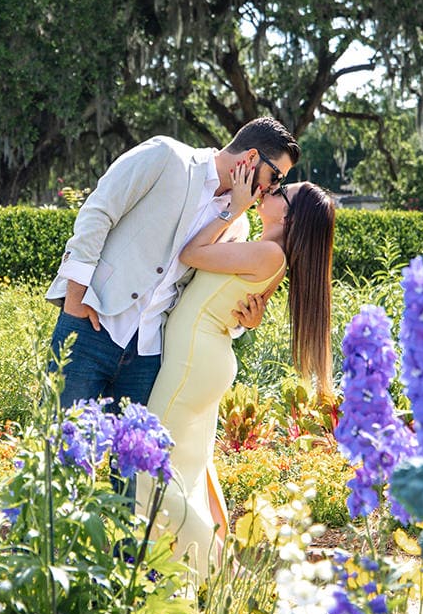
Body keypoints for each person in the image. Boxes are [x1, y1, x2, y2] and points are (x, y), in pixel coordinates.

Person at [137, 173, 336, 573]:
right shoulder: (266, 250)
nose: (271, 189)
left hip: (195, 360)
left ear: (291, 218)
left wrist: (236, 206)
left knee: (148, 469)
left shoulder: (269, 254)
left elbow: (191, 254)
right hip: (203, 357)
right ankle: (189, 575)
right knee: (188, 471)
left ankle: (222, 571)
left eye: (282, 192)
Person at [45, 118, 300, 412]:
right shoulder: (165, 155)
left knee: (132, 456)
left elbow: (211, 296)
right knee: (58, 444)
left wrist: (245, 322)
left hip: (149, 353)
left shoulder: (235, 223)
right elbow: (97, 213)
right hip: (93, 322)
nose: (273, 188)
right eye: (275, 176)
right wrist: (74, 298)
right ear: (252, 157)